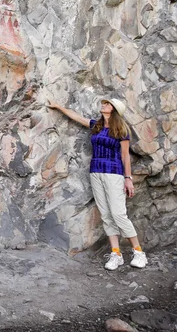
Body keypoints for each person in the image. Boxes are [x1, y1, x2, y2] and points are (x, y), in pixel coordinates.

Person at [47, 97, 147, 270]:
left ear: (114, 109)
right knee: (106, 215)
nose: (104, 104)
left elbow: (125, 156)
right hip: (96, 172)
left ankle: (138, 252)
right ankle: (116, 254)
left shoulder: (121, 129)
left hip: (114, 173)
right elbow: (76, 117)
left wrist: (128, 179)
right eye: (104, 103)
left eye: (108, 104)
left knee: (118, 215)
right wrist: (58, 106)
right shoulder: (97, 125)